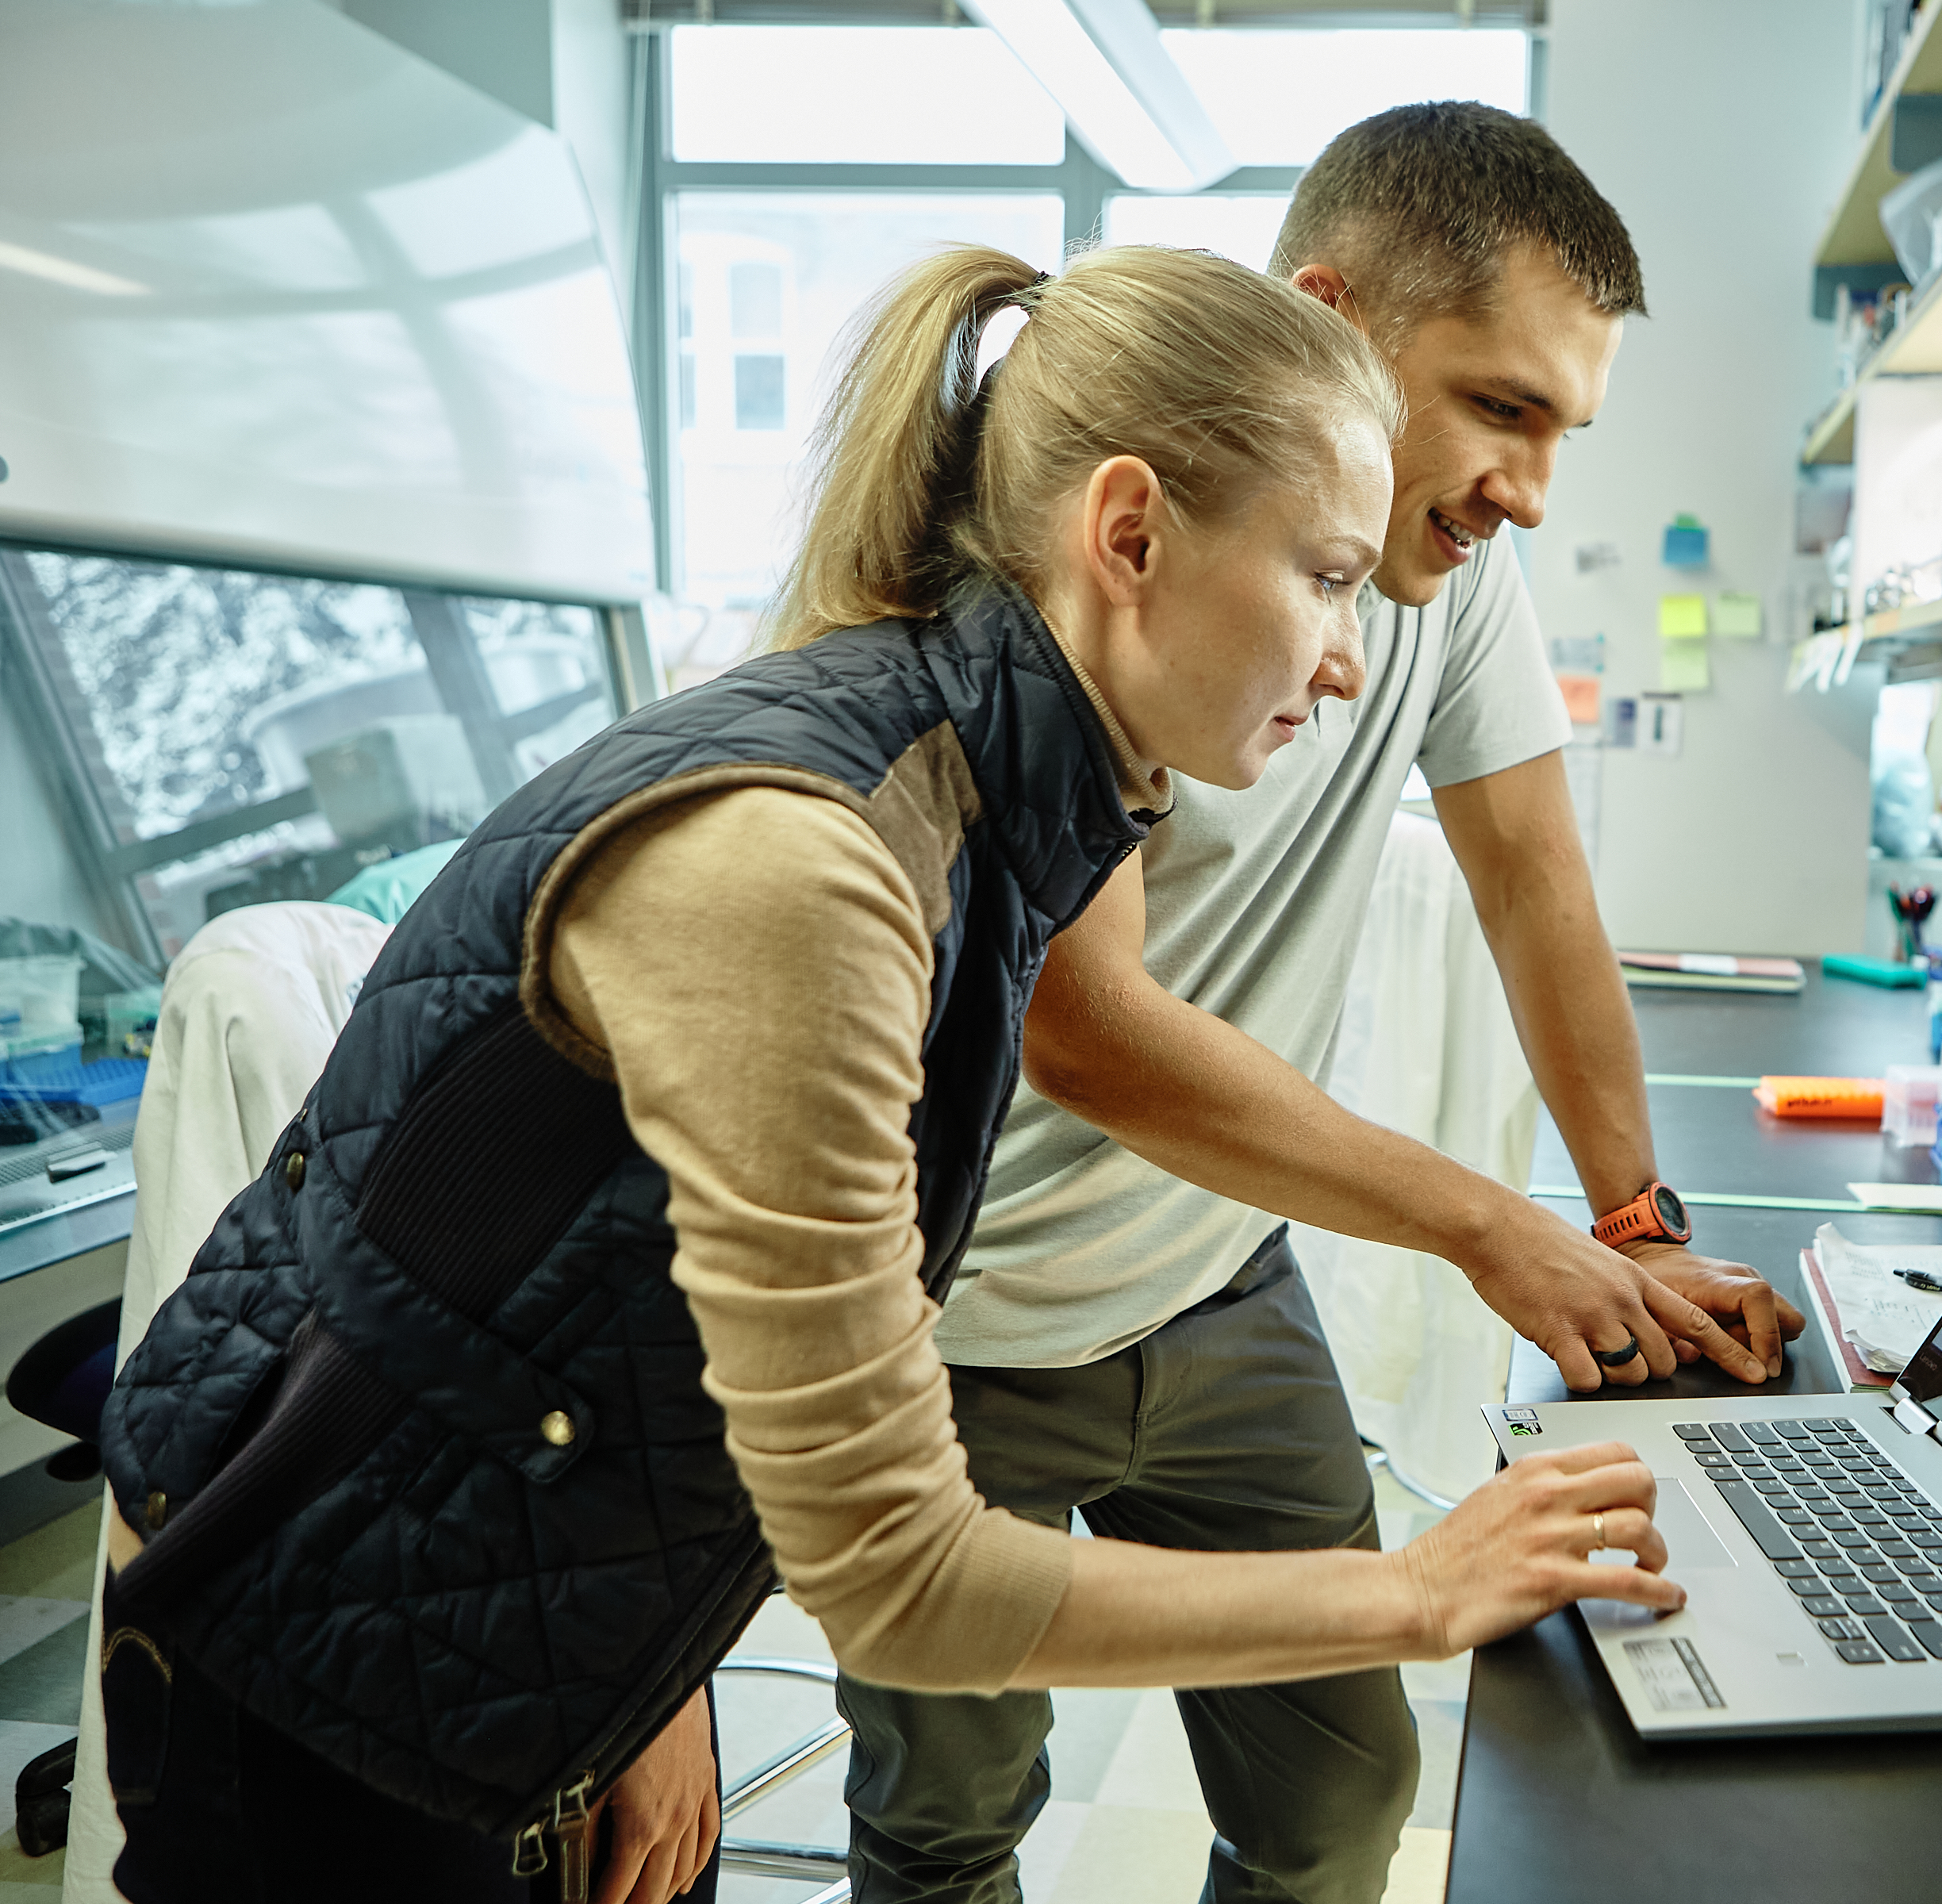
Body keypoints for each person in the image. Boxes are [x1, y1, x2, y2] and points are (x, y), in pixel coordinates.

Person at [93, 242, 1679, 1904]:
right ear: (1128, 535)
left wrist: (645, 1682)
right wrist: (1420, 1595)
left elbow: (657, 1304)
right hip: (322, 1666)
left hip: (533, 1614)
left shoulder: (985, 807)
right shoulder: (820, 866)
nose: (1350, 658)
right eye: (1328, 578)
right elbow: (900, 1578)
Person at [839, 104, 1807, 1904]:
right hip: (962, 1318)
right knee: (952, 1819)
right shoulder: (1111, 562)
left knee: (1343, 1797)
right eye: (1499, 407)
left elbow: (1535, 877)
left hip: (1214, 1283)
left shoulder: (1459, 569)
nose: (1527, 486)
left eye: (1562, 430)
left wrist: (1629, 1225)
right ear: (1330, 317)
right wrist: (1484, 1230)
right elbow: (1087, 1021)